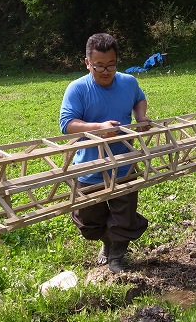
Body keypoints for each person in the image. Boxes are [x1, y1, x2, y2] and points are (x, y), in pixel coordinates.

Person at [59, 33, 152, 273]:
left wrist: (140, 117)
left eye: (111, 65)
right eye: (99, 65)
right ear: (87, 62)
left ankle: (117, 256)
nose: (105, 71)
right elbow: (67, 124)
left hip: (124, 163)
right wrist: (98, 129)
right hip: (90, 168)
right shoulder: (77, 89)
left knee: (124, 215)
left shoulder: (128, 82)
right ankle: (107, 240)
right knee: (88, 221)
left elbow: (139, 98)